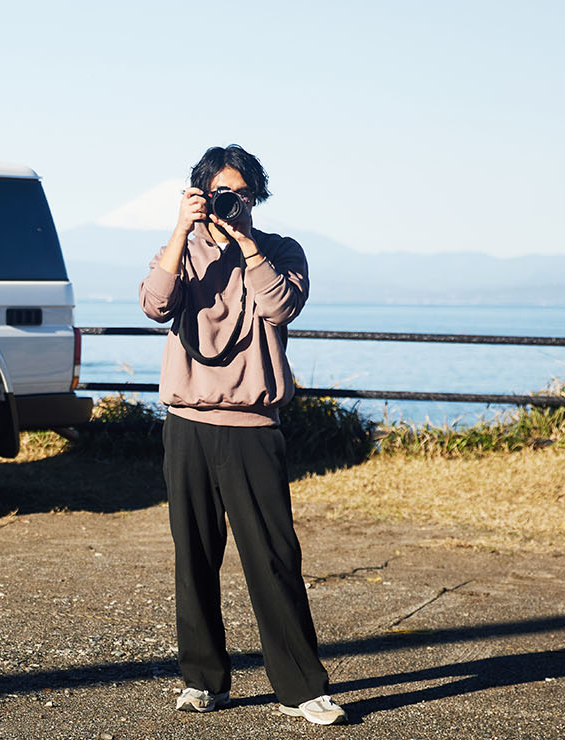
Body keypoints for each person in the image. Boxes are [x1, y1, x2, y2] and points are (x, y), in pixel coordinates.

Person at [138, 145, 347, 726]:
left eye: (243, 193)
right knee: (195, 558)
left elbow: (281, 308)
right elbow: (155, 304)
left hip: (253, 425)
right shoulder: (183, 250)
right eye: (221, 193)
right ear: (201, 194)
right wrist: (181, 231)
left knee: (274, 558)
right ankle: (202, 680)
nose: (233, 202)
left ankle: (302, 689)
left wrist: (247, 244)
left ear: (256, 197)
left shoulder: (280, 251)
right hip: (188, 422)